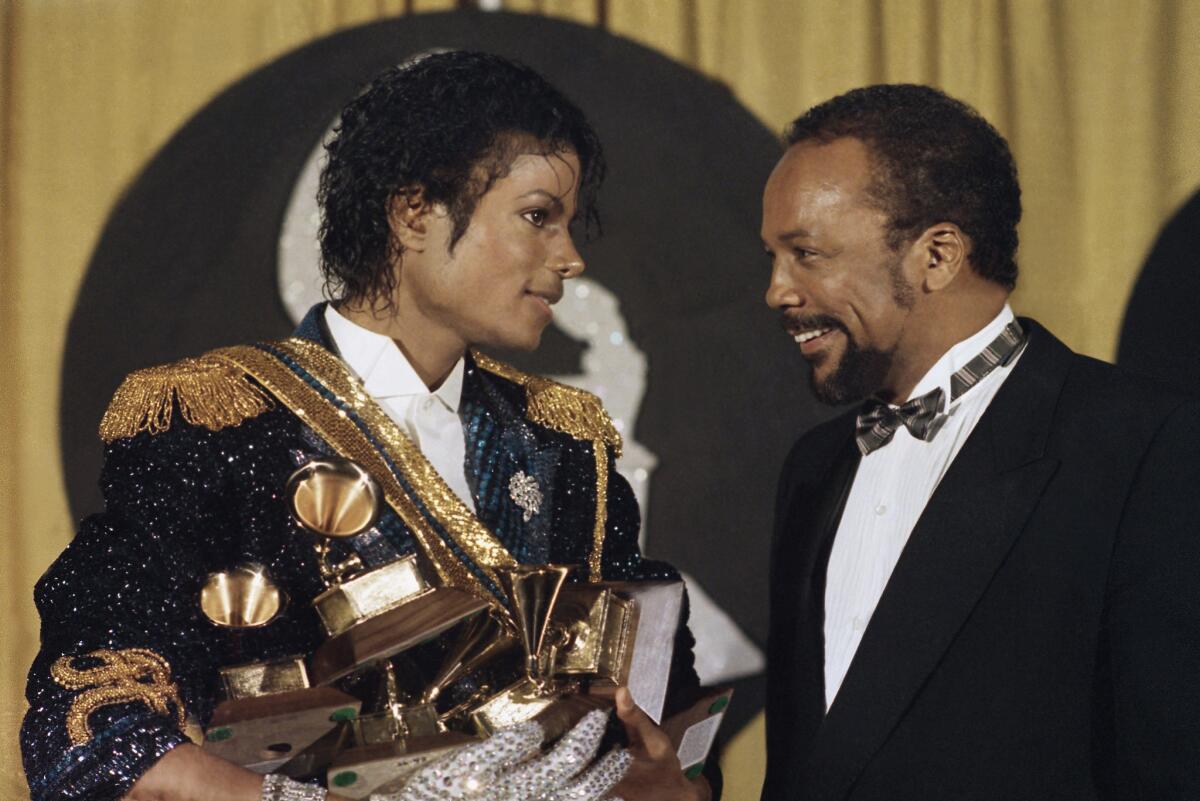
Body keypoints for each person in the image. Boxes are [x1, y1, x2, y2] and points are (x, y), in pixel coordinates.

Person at [22, 51, 714, 801]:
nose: (570, 258)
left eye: (569, 224)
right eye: (537, 217)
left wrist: (667, 780)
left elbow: (671, 732)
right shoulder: (214, 422)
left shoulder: (566, 446)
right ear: (413, 212)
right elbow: (97, 725)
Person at [760, 84, 1200, 800]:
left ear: (936, 255)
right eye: (774, 257)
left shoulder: (1145, 446)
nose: (777, 290)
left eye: (807, 253)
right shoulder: (813, 468)